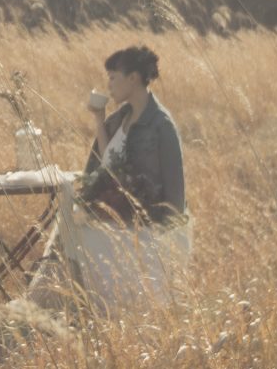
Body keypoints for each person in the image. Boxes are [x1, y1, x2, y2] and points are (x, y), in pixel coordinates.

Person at [50, 43, 187, 309]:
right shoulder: (117, 119)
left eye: (113, 77)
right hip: (115, 215)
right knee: (66, 229)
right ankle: (68, 310)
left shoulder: (161, 125)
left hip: (145, 223)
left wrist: (164, 231)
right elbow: (105, 167)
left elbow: (175, 189)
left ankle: (86, 309)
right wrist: (99, 119)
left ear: (134, 78)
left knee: (81, 239)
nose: (109, 85)